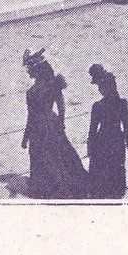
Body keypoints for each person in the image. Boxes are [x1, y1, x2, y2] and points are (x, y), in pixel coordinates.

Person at [21, 49, 88, 199]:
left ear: (37, 70)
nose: (28, 72)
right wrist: (61, 123)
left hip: (38, 129)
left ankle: (47, 188)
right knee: (61, 155)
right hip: (52, 124)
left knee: (43, 158)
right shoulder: (53, 85)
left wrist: (26, 137)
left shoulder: (31, 92)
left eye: (30, 69)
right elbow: (61, 106)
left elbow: (31, 116)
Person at [86, 64, 128, 198]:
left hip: (102, 141)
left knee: (102, 168)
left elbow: (92, 131)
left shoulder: (98, 106)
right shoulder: (122, 104)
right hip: (117, 140)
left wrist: (90, 146)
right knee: (116, 167)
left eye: (100, 87)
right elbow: (127, 126)